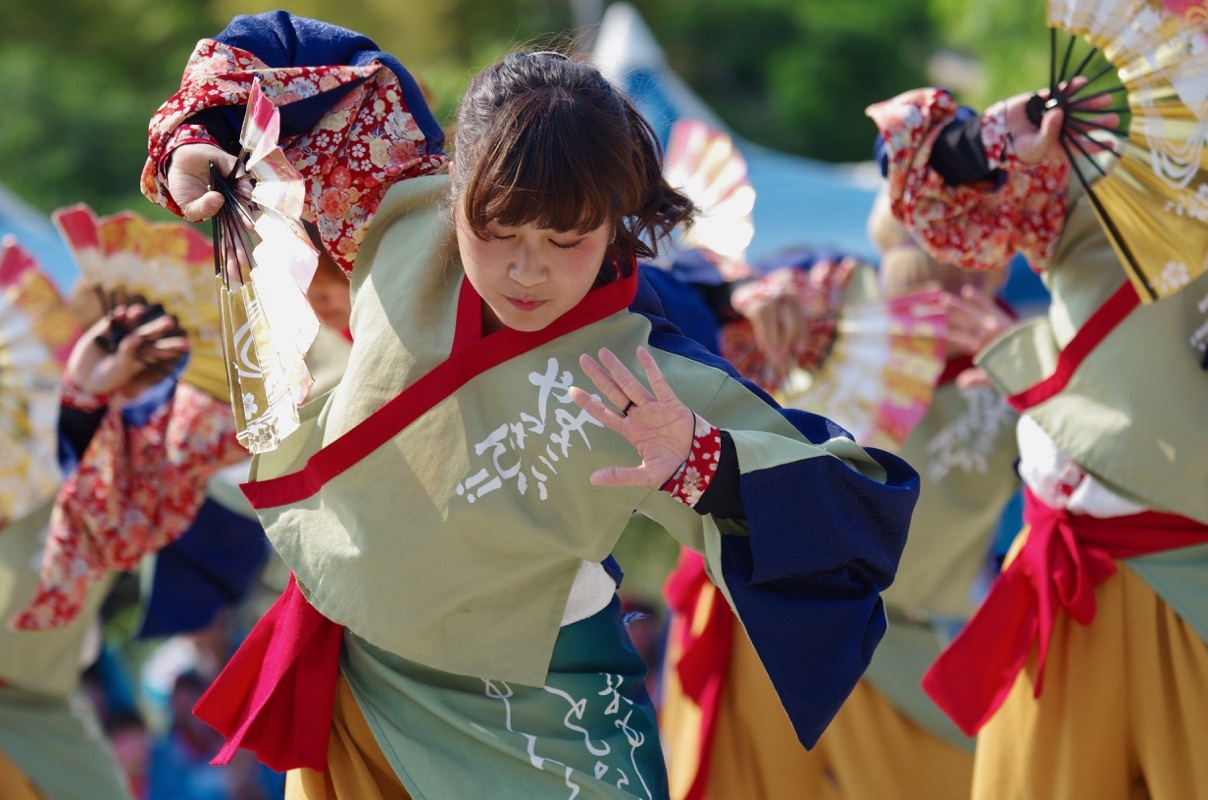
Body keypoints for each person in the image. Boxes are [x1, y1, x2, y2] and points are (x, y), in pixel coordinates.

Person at [142, 12, 919, 799]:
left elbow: (856, 507)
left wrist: (703, 462)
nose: (528, 271)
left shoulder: (648, 366)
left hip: (540, 702)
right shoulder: (399, 207)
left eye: (567, 240)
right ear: (454, 188)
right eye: (497, 228)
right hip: (361, 668)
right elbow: (290, 50)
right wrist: (196, 136)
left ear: (616, 216)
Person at [866, 79, 1208, 799]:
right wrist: (1002, 138)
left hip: (1185, 570)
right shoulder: (1087, 161)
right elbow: (923, 180)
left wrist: (1026, 359)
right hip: (1061, 572)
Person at [652, 200, 1022, 800]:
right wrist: (739, 296)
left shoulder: (1020, 358)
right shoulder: (835, 291)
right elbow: (670, 289)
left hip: (905, 653)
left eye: (987, 242)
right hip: (764, 612)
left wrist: (1032, 371)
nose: (966, 266)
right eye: (944, 229)